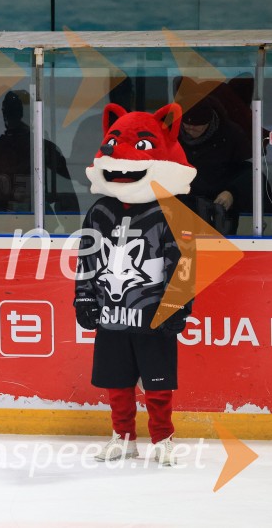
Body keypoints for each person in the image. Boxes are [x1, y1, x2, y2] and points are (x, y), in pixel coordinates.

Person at [75, 103, 196, 467]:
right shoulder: (99, 211)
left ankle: (162, 438)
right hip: (112, 313)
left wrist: (178, 305)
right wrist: (83, 297)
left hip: (153, 312)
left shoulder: (172, 210)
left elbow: (184, 263)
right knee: (117, 380)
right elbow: (86, 257)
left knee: (158, 384)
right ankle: (123, 437)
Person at [0, 90, 79, 215]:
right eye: (11, 111)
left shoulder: (46, 150)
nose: (14, 116)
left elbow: (69, 205)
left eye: (17, 111)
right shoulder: (47, 150)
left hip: (31, 229)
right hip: (0, 228)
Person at [176, 94, 251, 235]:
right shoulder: (172, 133)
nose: (190, 129)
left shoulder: (231, 135)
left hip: (218, 209)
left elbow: (248, 170)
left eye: (197, 126)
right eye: (186, 124)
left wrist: (232, 193)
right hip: (180, 208)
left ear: (209, 122)